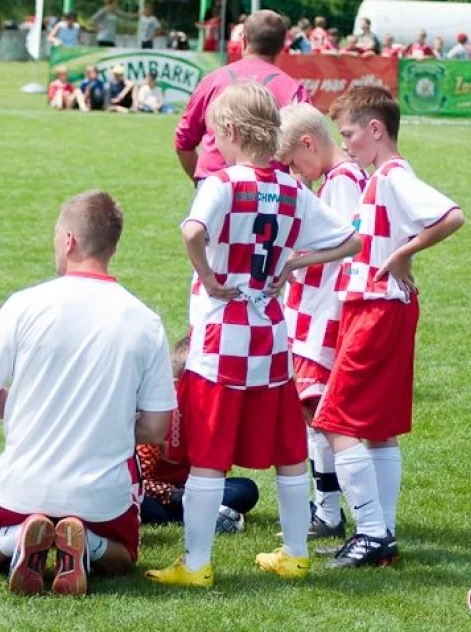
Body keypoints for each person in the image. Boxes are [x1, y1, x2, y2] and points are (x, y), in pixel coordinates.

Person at [146, 83, 361, 588]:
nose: (211, 144)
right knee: (289, 450)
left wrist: (212, 277)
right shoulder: (293, 189)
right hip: (271, 335)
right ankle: (295, 553)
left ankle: (196, 564)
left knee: (209, 455)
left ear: (234, 132)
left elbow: (191, 231)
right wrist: (294, 263)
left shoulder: (222, 183)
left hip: (223, 337)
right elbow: (353, 238)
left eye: (215, 135)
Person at [0, 190, 176, 596]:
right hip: (101, 494)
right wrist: (103, 421)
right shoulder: (145, 321)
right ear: (113, 246)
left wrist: (35, 407)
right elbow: (155, 426)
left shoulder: (24, 304)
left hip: (22, 484)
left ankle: (18, 538)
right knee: (124, 554)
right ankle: (87, 544)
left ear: (70, 241)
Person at [314, 86, 465, 568]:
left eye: (350, 134)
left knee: (335, 421)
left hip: (376, 309)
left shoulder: (392, 175)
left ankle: (373, 533)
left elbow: (451, 215)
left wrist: (403, 253)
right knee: (377, 429)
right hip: (383, 307)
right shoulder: (381, 177)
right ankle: (382, 532)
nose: (348, 144)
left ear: (376, 130)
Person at [277, 103, 368, 541]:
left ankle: (343, 514)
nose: (296, 172)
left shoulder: (344, 181)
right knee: (312, 413)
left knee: (320, 412)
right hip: (315, 311)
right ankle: (327, 510)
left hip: (323, 314)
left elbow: (352, 245)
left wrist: (296, 261)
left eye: (294, 161)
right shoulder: (338, 178)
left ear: (308, 143)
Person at [175, 10, 309, 184]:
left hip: (217, 184)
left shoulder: (213, 81)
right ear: (282, 46)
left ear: (244, 40)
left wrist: (204, 184)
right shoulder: (293, 89)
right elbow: (305, 153)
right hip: (271, 194)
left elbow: (183, 142)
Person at [139, 336, 260, 528]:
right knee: (143, 505)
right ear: (176, 384)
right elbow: (140, 480)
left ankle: (195, 511)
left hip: (194, 488)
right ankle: (198, 512)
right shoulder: (161, 415)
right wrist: (176, 496)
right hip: (156, 493)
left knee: (245, 490)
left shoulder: (212, 416)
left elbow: (217, 473)